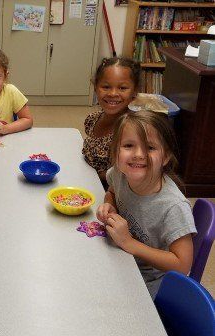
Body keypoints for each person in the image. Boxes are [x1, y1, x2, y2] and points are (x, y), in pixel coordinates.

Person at [96, 111, 196, 299]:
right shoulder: (120, 174)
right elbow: (111, 192)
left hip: (152, 285)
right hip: (122, 260)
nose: (138, 155)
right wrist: (110, 206)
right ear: (115, 152)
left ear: (166, 157)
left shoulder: (173, 207)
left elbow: (183, 265)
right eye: (128, 146)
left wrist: (129, 242)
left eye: (150, 147)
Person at [82, 57, 140, 187]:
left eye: (122, 88)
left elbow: (124, 176)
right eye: (106, 87)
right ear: (96, 87)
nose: (113, 93)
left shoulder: (131, 131)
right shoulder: (93, 119)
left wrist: (89, 174)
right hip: (86, 180)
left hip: (111, 194)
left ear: (134, 92)